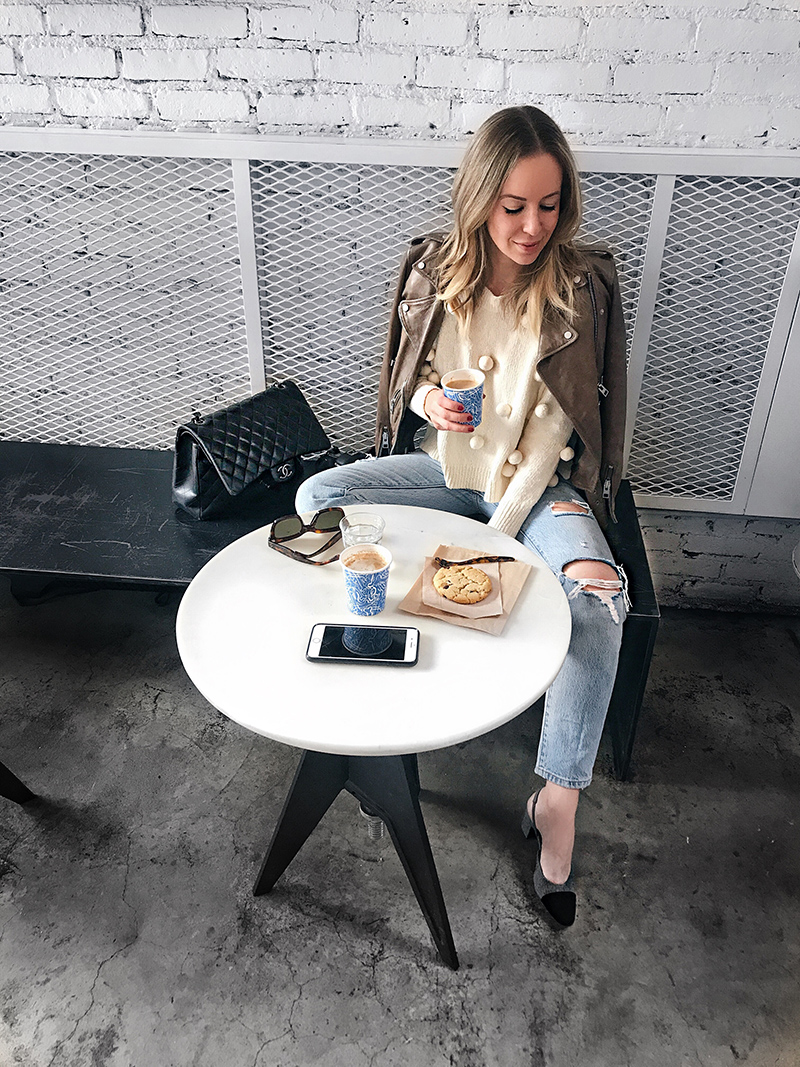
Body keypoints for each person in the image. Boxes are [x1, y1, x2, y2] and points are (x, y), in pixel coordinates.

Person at [296, 105, 629, 927]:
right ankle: (384, 669)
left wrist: (534, 523)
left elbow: (583, 417)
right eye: (512, 205)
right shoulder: (435, 270)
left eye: (547, 206)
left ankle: (558, 797)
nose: (530, 226)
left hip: (536, 492)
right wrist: (428, 402)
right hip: (448, 474)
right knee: (316, 501)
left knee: (597, 594)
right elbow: (410, 382)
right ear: (480, 196)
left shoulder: (581, 285)